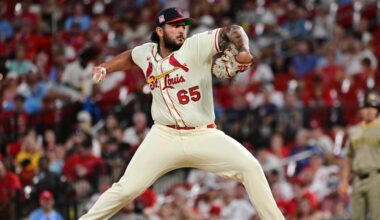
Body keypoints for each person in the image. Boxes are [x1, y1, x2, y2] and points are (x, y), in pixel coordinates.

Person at [80, 7, 284, 220]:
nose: (182, 30)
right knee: (125, 189)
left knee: (250, 167)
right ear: (160, 31)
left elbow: (233, 30)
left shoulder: (195, 46)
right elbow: (131, 57)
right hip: (163, 136)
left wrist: (243, 50)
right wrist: (105, 67)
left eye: (183, 26)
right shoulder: (146, 53)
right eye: (175, 26)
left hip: (203, 135)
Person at [341, 90, 380, 220]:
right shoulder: (354, 131)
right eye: (366, 107)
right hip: (357, 179)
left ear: (377, 110)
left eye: (372, 107)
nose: (369, 110)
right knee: (356, 217)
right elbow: (348, 157)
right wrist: (345, 181)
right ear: (361, 111)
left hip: (376, 177)